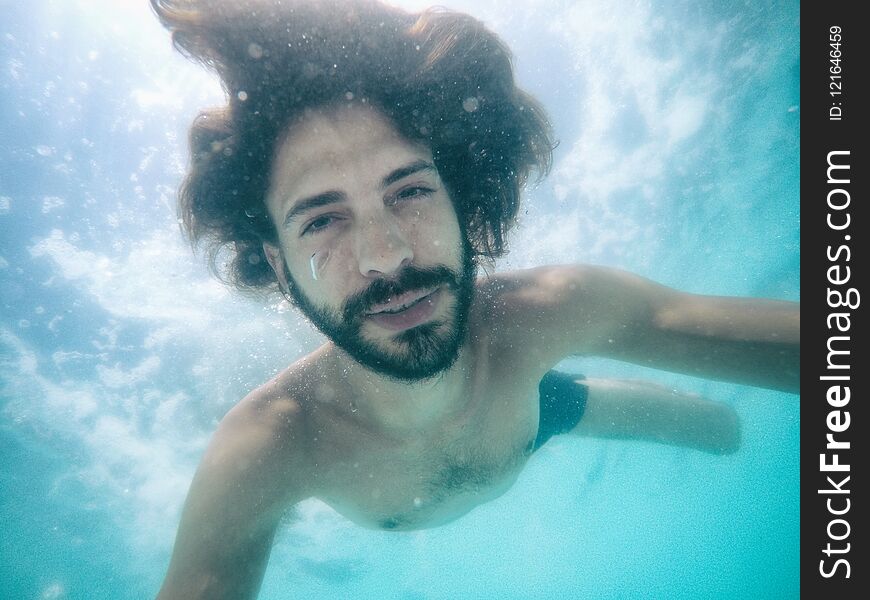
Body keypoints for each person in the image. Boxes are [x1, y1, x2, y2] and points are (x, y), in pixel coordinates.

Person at [150, 1, 799, 598]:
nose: (386, 254)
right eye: (322, 220)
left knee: (703, 426)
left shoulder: (542, 315)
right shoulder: (273, 444)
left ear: (461, 201)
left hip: (533, 406)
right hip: (508, 415)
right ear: (280, 268)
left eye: (409, 190)